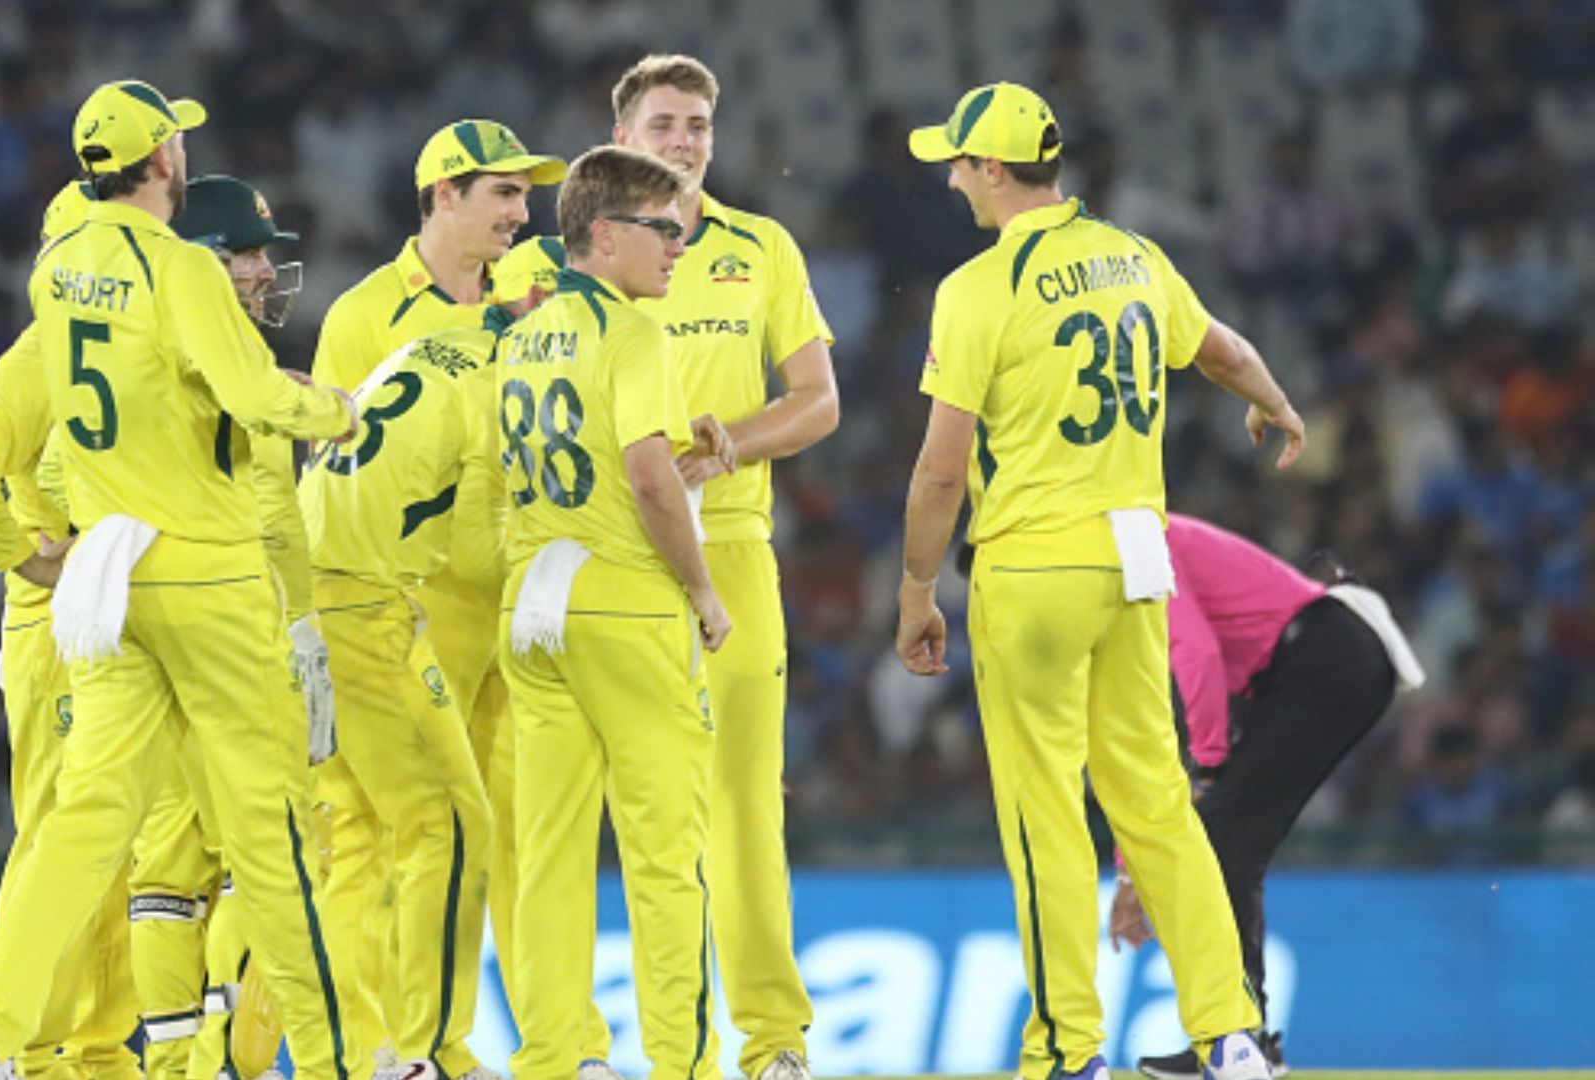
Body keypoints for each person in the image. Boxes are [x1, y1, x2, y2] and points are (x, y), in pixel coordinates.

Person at [0, 79, 361, 1080]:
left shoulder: (58, 274)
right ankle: (343, 1061)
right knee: (273, 832)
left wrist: (32, 559)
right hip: (204, 576)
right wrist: (331, 411)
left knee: (84, 822)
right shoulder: (179, 271)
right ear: (163, 160)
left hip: (101, 575)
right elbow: (253, 391)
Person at [893, 82, 1307, 1080]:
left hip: (1034, 566)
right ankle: (1232, 1032)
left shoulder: (978, 290)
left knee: (1045, 821)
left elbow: (942, 468)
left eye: (958, 162)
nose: (951, 178)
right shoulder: (1134, 256)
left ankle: (1066, 1051)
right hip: (1136, 559)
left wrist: (914, 592)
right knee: (1157, 805)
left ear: (995, 171)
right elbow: (1227, 351)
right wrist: (1276, 407)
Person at [309, 118, 563, 1069]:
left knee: (503, 837)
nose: (521, 211)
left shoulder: (530, 297)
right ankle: (376, 1047)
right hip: (413, 604)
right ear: (445, 193)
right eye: (503, 192)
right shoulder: (365, 315)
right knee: (381, 834)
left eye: (526, 194)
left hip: (520, 606)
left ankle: (527, 1042)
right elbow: (327, 472)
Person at [607, 55, 839, 1080]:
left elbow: (819, 400)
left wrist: (731, 446)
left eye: (699, 124)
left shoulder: (761, 248)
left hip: (731, 545)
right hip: (603, 554)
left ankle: (772, 1044)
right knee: (582, 806)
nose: (686, 140)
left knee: (744, 802)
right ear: (624, 136)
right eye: (665, 123)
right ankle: (577, 1043)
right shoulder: (575, 257)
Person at [499, 144, 735, 1080]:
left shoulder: (523, 337)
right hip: (626, 605)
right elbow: (643, 474)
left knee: (550, 854)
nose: (678, 244)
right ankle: (682, 1064)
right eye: (661, 228)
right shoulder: (638, 338)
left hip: (534, 601)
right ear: (603, 235)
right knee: (665, 854)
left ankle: (554, 1060)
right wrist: (703, 587)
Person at [0, 179, 142, 1080]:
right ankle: (45, 1049)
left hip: (101, 627)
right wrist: (28, 558)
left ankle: (92, 1048)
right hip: (60, 635)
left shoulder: (102, 345)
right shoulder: (49, 353)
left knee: (106, 840)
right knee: (66, 832)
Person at [1111, 515, 1424, 1080]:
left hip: (1323, 654)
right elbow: (1133, 742)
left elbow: (1197, 655)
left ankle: (1240, 1039)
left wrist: (1209, 763)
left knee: (1226, 843)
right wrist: (1130, 872)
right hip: (1325, 656)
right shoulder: (1128, 543)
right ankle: (1243, 1039)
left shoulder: (1132, 540)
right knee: (1231, 844)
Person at [121, 172, 315, 1080]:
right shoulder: (240, 374)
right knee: (263, 858)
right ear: (198, 261)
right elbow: (273, 521)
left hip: (151, 633)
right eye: (248, 255)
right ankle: (221, 1065)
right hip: (237, 633)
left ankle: (171, 1068)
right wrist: (306, 631)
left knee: (164, 871)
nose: (265, 272)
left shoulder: (137, 348)